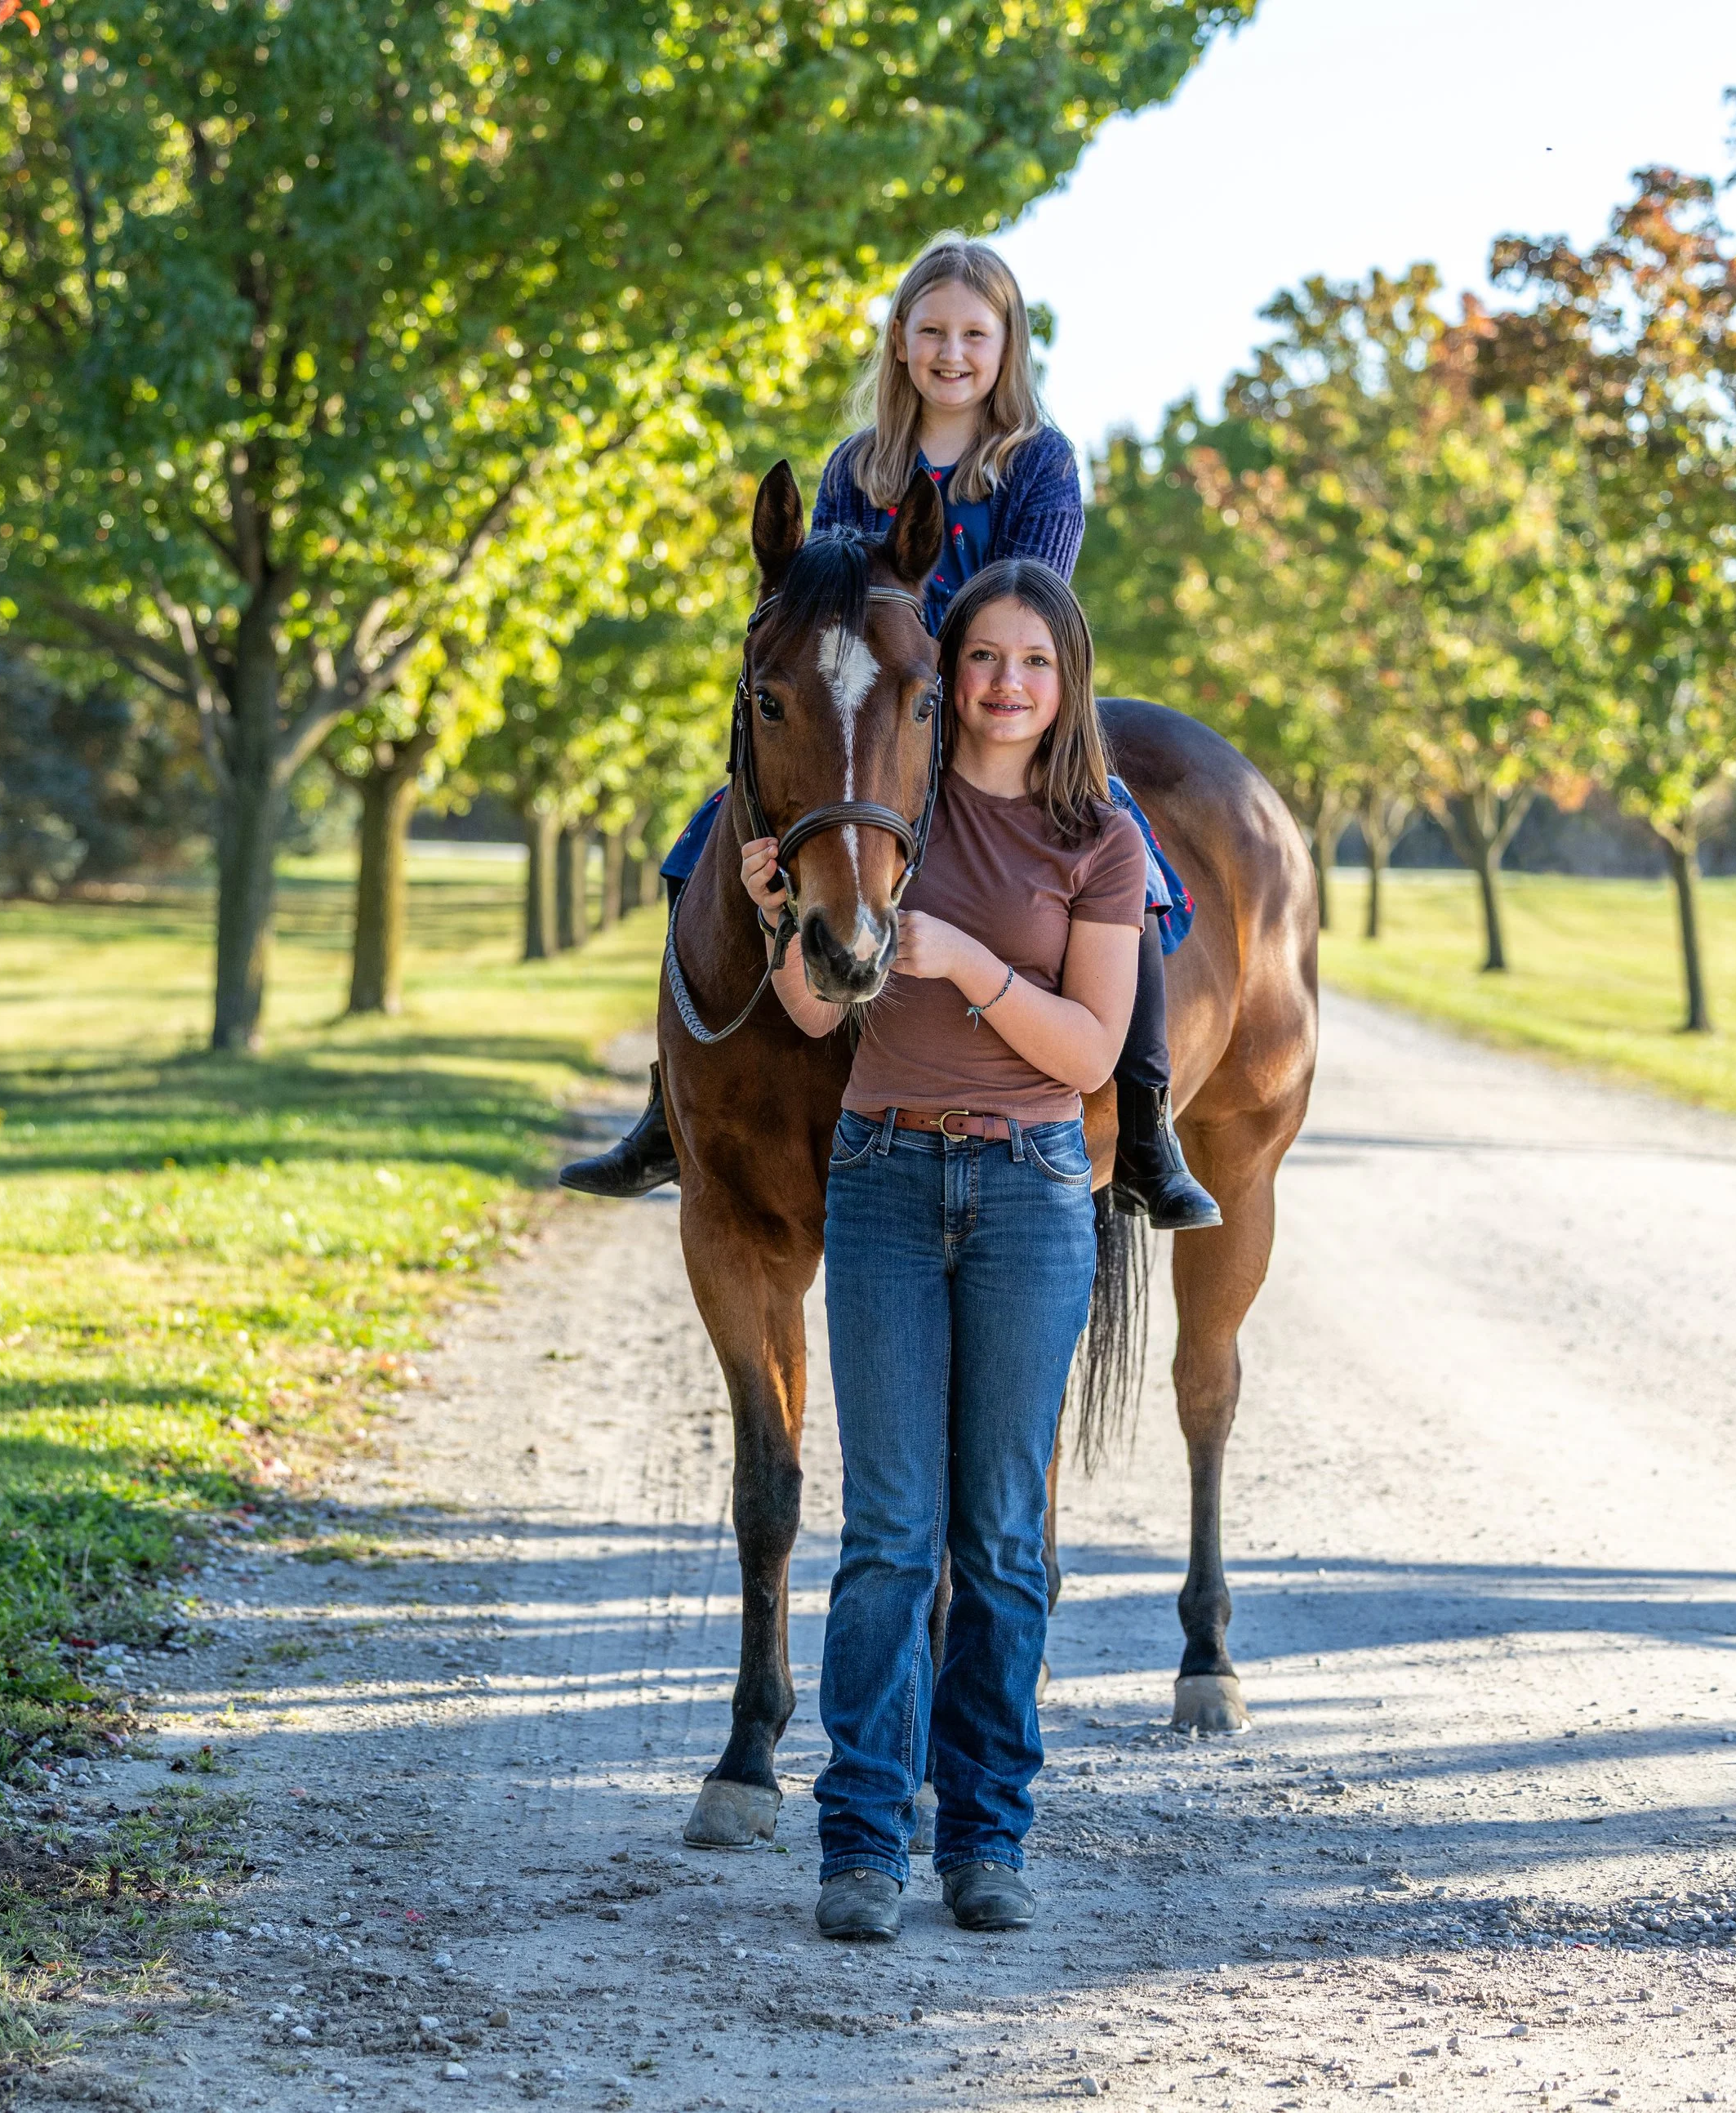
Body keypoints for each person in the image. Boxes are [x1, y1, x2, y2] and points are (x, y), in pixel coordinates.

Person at [559, 234, 1220, 1233]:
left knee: (1132, 862)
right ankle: (670, 1102)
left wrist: (933, 662)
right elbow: (819, 594)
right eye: (931, 331)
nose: (951, 352)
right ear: (900, 343)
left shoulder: (1037, 465)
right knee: (701, 846)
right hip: (868, 715)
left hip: (995, 704)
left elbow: (1029, 605)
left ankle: (1145, 1122)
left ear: (1007, 347)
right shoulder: (856, 465)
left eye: (973, 334)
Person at [741, 559, 1140, 1941]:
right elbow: (804, 1011)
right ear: (947, 671)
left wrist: (965, 963)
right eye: (986, 659)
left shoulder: (1100, 842)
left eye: (1036, 661)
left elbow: (1089, 1049)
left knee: (1002, 1535)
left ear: (1065, 678)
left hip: (1032, 1188)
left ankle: (986, 1839)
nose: (1008, 684)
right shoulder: (885, 799)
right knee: (891, 1534)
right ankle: (860, 1842)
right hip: (886, 1176)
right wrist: (786, 910)